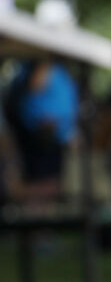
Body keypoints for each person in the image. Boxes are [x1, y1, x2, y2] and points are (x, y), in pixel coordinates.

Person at [3, 59, 78, 203]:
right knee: (42, 181)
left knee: (51, 181)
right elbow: (35, 84)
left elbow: (38, 84)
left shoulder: (55, 68)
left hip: (52, 137)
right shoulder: (34, 67)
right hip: (37, 136)